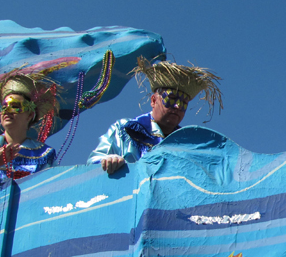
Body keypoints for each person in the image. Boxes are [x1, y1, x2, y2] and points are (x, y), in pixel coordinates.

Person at [88, 57, 223, 174]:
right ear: (154, 100)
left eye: (183, 103)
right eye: (171, 99)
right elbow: (93, 163)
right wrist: (107, 161)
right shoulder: (125, 130)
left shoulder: (187, 145)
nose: (177, 107)